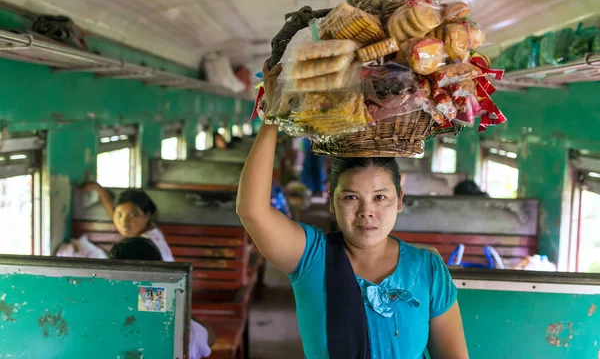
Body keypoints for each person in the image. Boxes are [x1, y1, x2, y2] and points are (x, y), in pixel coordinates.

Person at [235, 61, 469, 358]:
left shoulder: (428, 269)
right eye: (350, 198)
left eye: (380, 198)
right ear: (331, 201)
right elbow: (252, 211)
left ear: (400, 199)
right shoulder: (311, 257)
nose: (366, 212)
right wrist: (271, 114)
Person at [109, 237, 214, 358]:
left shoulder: (98, 310)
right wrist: (183, 311)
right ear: (160, 274)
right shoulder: (174, 325)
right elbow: (209, 338)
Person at [77, 183, 174, 261]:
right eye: (119, 215)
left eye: (133, 215)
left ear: (147, 215)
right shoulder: (150, 229)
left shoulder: (143, 245)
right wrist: (99, 190)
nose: (124, 223)